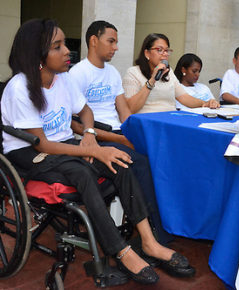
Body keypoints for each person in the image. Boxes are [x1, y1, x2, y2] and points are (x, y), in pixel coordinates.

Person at [1, 19, 195, 284]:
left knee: (121, 160)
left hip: (66, 144)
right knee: (83, 172)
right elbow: (42, 145)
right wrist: (89, 152)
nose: (66, 50)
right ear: (37, 53)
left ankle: (149, 242)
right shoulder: (19, 88)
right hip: (29, 153)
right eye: (57, 46)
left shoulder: (63, 79)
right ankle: (121, 251)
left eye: (63, 44)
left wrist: (90, 136)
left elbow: (85, 111)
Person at [69, 20, 173, 245]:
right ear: (94, 41)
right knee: (140, 164)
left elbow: (124, 112)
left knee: (159, 156)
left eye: (116, 42)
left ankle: (160, 223)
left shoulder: (113, 73)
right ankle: (155, 234)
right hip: (94, 139)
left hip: (117, 133)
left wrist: (133, 135)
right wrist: (121, 139)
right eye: (111, 41)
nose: (115, 47)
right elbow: (75, 125)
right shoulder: (77, 74)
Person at [122, 33, 219, 114]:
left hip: (170, 119)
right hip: (147, 121)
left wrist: (205, 103)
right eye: (159, 50)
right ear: (147, 53)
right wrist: (152, 81)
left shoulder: (168, 73)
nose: (164, 54)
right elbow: (130, 108)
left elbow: (184, 98)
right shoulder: (133, 73)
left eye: (167, 50)